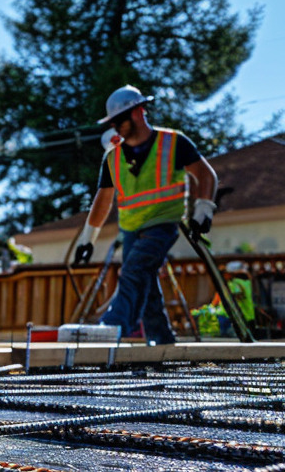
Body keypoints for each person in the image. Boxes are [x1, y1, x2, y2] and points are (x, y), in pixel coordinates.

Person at [74, 84, 219, 345]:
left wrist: (204, 210)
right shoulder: (113, 157)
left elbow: (205, 175)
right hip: (131, 229)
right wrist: (87, 239)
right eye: (113, 122)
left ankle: (115, 324)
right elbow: (103, 200)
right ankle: (161, 339)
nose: (116, 126)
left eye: (120, 120)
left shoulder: (173, 142)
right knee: (146, 284)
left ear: (139, 112)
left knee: (133, 270)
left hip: (162, 224)